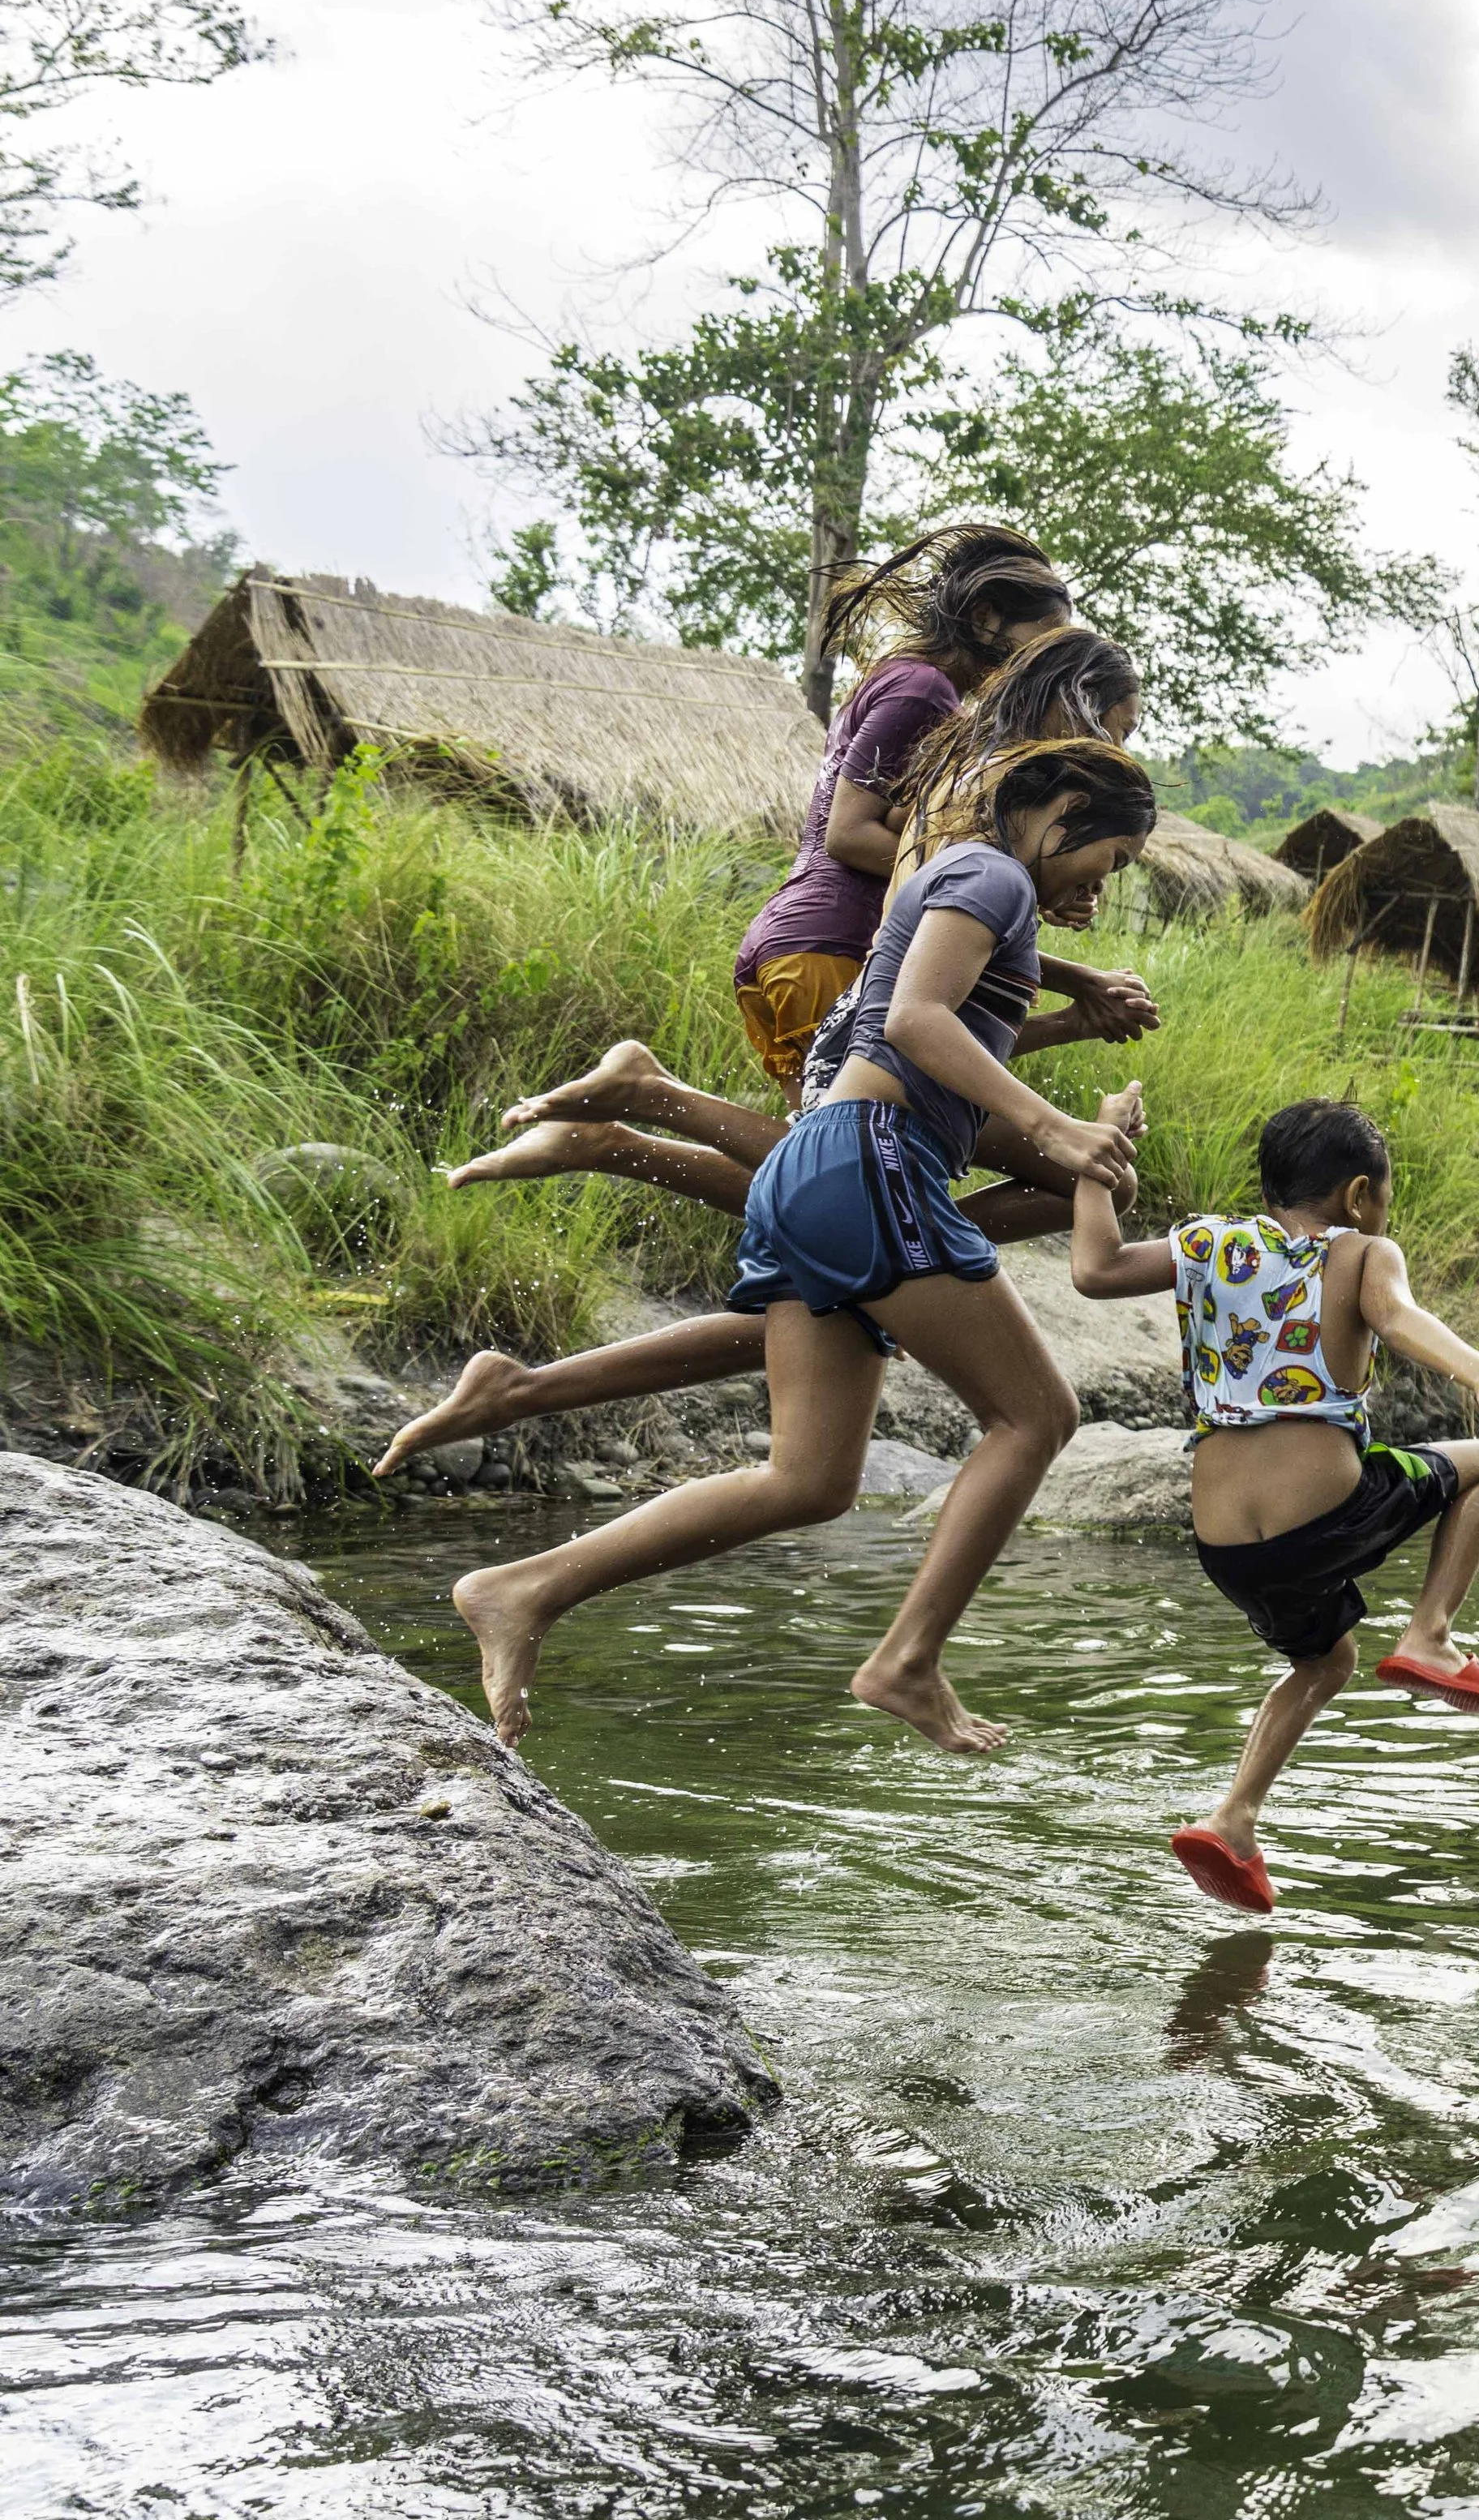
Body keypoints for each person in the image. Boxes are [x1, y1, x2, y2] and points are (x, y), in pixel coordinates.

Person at [449, 740, 1160, 1754]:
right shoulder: (990, 871)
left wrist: (1067, 1049)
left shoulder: (973, 882)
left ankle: (522, 1589)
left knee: (810, 1481)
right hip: (869, 1160)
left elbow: (913, 1026)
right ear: (1068, 808)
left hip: (828, 1165)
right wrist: (1055, 1129)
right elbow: (914, 1021)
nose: (1106, 880)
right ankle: (908, 1660)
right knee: (1036, 1414)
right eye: (1114, 857)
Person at [373, 629, 1157, 1481]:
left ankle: (522, 1389)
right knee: (901, 1208)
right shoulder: (982, 787)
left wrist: (1069, 995)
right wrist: (1069, 980)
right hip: (835, 970)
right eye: (1112, 726)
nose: (1114, 750)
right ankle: (638, 1117)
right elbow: (916, 946)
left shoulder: (1000, 803)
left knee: (849, 1300)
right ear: (1071, 703)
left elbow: (959, 995)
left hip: (861, 1005)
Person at [1068, 1090, 1479, 1915]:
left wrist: (1097, 1153)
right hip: (1320, 1514)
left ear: (1268, 1187)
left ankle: (1231, 1819)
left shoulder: (1206, 1242)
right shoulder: (1359, 1254)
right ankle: (1430, 1637)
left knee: (1326, 1660)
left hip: (1225, 1544)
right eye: (1381, 1200)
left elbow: (1093, 1269)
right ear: (1359, 1195)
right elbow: (1396, 1317)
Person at [733, 525, 1070, 1104]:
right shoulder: (923, 689)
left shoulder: (915, 686)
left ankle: (633, 1105)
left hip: (801, 942)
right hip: (830, 942)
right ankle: (642, 1099)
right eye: (1042, 641)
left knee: (813, 1176)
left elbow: (910, 835)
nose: (1042, 664)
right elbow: (849, 833)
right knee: (860, 1152)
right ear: (985, 618)